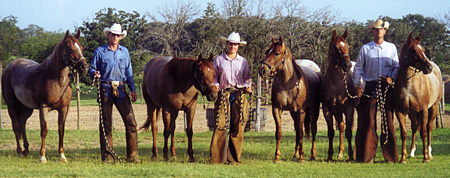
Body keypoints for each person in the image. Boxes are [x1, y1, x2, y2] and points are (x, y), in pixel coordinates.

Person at [89, 23, 140, 164]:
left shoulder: (125, 52)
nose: (115, 37)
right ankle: (108, 157)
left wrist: (133, 89)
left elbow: (129, 72)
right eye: (113, 34)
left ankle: (133, 156)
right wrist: (95, 73)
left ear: (121, 37)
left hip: (122, 90)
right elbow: (91, 68)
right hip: (105, 89)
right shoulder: (99, 51)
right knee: (106, 125)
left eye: (118, 35)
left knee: (131, 123)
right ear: (109, 35)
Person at [352, 19, 399, 163]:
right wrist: (357, 85)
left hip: (386, 87)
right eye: (376, 29)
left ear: (385, 31)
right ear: (372, 31)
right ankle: (366, 157)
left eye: (381, 29)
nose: (379, 31)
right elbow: (358, 68)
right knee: (368, 121)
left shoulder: (391, 48)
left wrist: (392, 77)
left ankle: (390, 157)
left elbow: (396, 66)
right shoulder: (365, 49)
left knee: (388, 121)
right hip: (370, 86)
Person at [210, 32, 252, 165]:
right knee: (220, 124)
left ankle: (234, 158)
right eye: (230, 44)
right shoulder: (218, 60)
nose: (232, 47)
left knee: (238, 125)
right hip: (223, 94)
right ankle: (217, 158)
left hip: (239, 94)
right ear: (227, 44)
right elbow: (214, 76)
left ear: (238, 46)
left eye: (235, 45)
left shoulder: (243, 62)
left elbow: (247, 77)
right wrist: (216, 85)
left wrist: (248, 86)